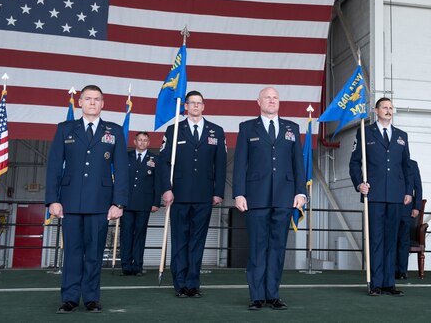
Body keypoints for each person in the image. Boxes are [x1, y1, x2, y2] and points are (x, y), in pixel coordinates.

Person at [45, 85, 128, 314]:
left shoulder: (115, 131)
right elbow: (54, 167)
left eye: (97, 99)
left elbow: (121, 170)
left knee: (94, 253)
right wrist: (53, 199)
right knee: (72, 252)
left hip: (101, 203)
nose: (92, 103)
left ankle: (91, 298)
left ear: (103, 104)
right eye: (88, 99)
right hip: (70, 201)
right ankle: (70, 298)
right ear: (79, 102)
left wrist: (118, 202)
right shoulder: (65, 129)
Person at [232, 87, 306, 311]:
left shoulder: (291, 128)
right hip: (256, 197)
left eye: (275, 98)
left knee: (277, 248)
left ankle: (273, 295)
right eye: (267, 97)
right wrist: (239, 193)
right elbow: (239, 164)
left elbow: (298, 164)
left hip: (285, 197)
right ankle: (256, 296)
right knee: (257, 248)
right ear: (258, 101)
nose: (272, 101)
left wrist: (301, 192)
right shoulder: (246, 128)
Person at [158, 91, 226, 298]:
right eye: (192, 103)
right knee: (180, 240)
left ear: (204, 107)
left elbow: (220, 164)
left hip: (204, 195)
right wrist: (166, 189)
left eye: (199, 103)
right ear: (185, 106)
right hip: (178, 195)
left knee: (198, 241)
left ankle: (192, 283)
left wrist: (218, 192)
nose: (196, 106)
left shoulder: (216, 131)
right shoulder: (174, 130)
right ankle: (179, 284)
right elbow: (163, 162)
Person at [349, 97, 413, 297]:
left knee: (391, 240)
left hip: (395, 195)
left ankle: (388, 283)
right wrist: (359, 184)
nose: (388, 110)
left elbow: (407, 167)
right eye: (384, 107)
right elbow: (354, 162)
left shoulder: (402, 136)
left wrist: (408, 191)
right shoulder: (365, 132)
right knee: (376, 239)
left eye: (391, 107)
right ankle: (375, 283)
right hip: (374, 195)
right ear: (376, 111)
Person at [120, 132, 159, 276]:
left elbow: (157, 182)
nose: (142, 143)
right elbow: (120, 180)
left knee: (140, 235)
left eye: (145, 140)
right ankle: (125, 266)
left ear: (148, 143)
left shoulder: (155, 159)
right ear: (135, 142)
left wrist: (156, 202)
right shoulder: (126, 156)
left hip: (144, 203)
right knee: (126, 234)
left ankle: (137, 266)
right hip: (127, 203)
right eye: (140, 140)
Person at [395, 159, 423, 280]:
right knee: (390, 238)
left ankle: (402, 271)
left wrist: (417, 207)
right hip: (390, 206)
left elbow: (418, 187)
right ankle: (390, 269)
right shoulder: (391, 162)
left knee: (404, 239)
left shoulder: (412, 164)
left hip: (406, 209)